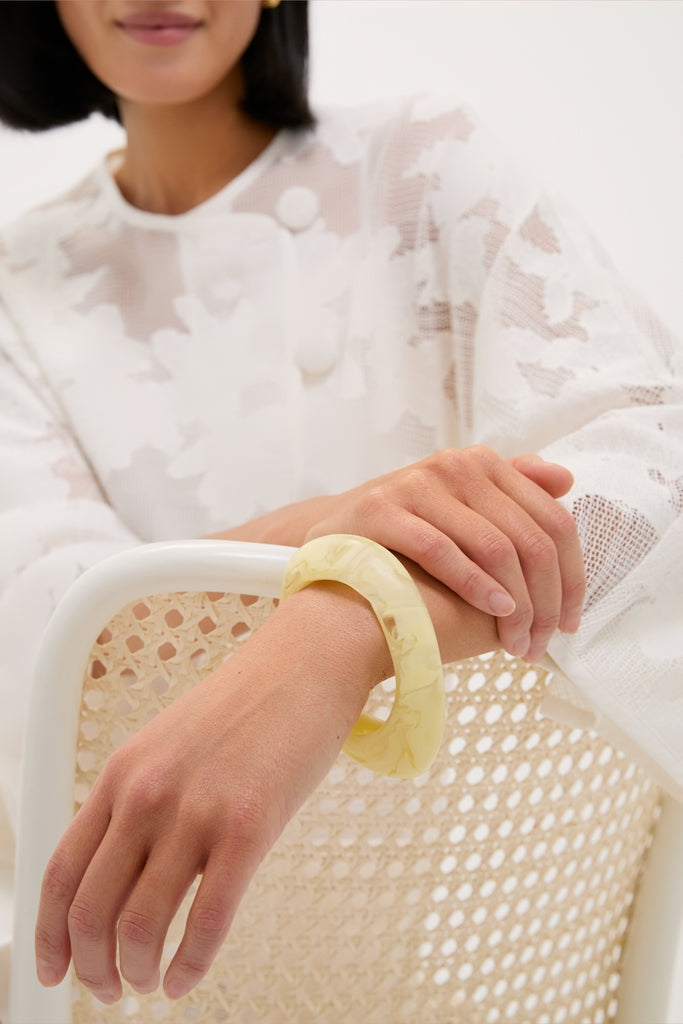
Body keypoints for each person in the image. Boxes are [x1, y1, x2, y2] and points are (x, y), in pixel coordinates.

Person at [0, 1, 680, 1018]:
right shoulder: (15, 289)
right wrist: (340, 524)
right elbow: (47, 617)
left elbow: (655, 454)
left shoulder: (424, 165)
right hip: (129, 986)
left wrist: (345, 622)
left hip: (456, 975)